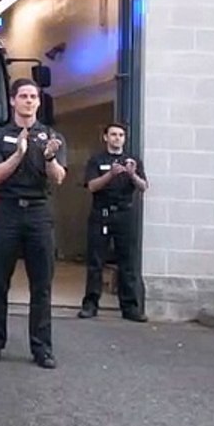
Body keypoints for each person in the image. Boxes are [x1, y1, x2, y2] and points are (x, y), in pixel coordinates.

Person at [0, 78, 67, 369]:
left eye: (34, 96)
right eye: (24, 96)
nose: (29, 101)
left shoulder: (51, 136)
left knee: (41, 285)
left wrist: (50, 159)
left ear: (39, 102)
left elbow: (58, 178)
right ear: (13, 100)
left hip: (39, 214)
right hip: (7, 212)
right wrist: (18, 153)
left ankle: (42, 348)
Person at [79, 123, 149, 322]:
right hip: (101, 213)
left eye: (121, 135)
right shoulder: (97, 160)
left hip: (125, 215)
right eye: (113, 134)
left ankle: (130, 308)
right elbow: (91, 186)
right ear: (105, 137)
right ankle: (90, 304)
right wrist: (110, 174)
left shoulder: (133, 161)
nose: (117, 138)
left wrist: (132, 174)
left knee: (128, 262)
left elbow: (144, 186)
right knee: (95, 262)